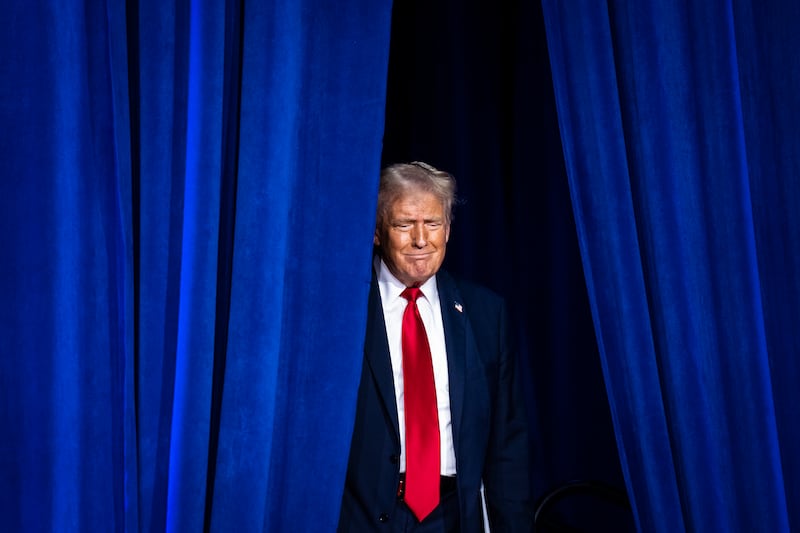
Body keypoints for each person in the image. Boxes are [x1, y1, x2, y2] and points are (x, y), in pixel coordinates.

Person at [339, 162, 532, 532]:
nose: (420, 239)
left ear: (448, 229)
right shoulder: (343, 313)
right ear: (378, 232)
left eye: (432, 223)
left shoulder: (485, 313)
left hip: (450, 516)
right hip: (360, 517)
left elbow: (507, 442)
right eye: (404, 224)